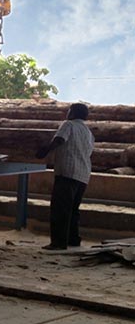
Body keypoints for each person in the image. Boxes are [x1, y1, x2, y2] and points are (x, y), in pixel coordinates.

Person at [36, 103, 94, 250]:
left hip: (67, 172)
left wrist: (45, 151)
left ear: (72, 113)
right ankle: (73, 239)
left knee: (60, 209)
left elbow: (60, 139)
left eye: (69, 111)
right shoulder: (88, 132)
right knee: (73, 209)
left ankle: (58, 242)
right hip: (83, 174)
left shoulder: (68, 124)